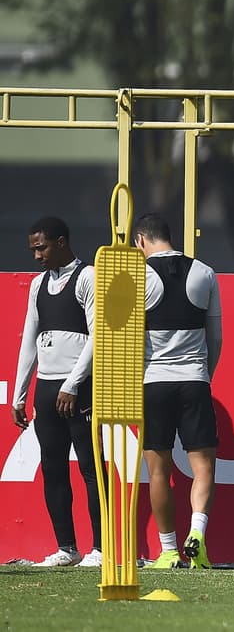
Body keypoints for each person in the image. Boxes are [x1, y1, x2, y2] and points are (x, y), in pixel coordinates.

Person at [11, 217, 102, 568]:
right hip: (47, 390)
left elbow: (97, 338)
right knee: (53, 468)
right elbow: (29, 342)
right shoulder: (37, 285)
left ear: (61, 242)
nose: (36, 256)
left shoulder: (88, 277)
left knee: (91, 469)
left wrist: (72, 384)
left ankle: (99, 549)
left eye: (41, 247)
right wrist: (20, 393)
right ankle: (67, 548)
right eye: (33, 249)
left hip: (78, 388)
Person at [134, 213, 223, 569]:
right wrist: (205, 374)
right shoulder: (205, 272)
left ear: (141, 240)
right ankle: (197, 533)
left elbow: (125, 339)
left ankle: (169, 550)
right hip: (194, 380)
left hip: (153, 383)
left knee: (159, 472)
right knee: (204, 469)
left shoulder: (138, 276)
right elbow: (215, 338)